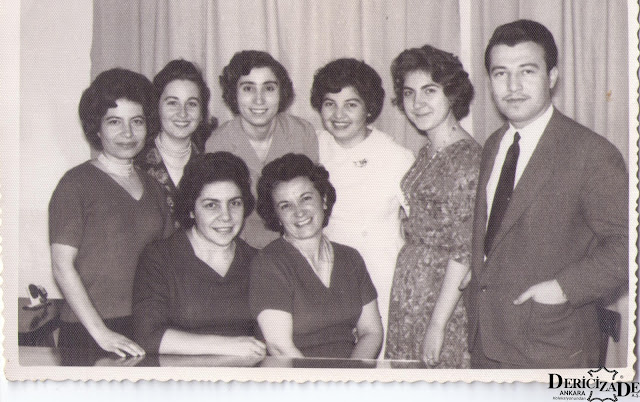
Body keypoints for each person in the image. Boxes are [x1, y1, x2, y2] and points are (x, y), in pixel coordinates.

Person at [465, 19, 628, 368]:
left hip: (551, 346)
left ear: (552, 76)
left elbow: (629, 245)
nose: (513, 86)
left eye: (527, 71)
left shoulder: (592, 153)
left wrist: (562, 288)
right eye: (500, 73)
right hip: (485, 343)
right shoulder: (494, 144)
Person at [49, 68, 170, 357]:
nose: (127, 133)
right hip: (88, 331)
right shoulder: (75, 184)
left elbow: (167, 265)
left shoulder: (155, 188)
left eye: (137, 121)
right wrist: (101, 333)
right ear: (97, 128)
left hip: (145, 327)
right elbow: (61, 266)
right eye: (114, 122)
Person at [384, 45, 480, 368]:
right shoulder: (430, 150)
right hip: (413, 291)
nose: (417, 103)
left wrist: (437, 325)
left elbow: (464, 250)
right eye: (409, 93)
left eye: (430, 91)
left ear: (451, 94)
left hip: (442, 299)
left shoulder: (466, 159)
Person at [310, 58, 414, 346]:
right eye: (329, 104)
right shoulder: (313, 146)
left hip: (380, 278)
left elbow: (421, 224)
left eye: (351, 104)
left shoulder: (396, 157)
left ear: (369, 108)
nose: (338, 115)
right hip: (325, 276)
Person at [249, 154, 383, 358]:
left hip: (349, 372)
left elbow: (371, 332)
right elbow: (279, 347)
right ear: (277, 216)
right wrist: (322, 379)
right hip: (295, 374)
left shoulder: (350, 258)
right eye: (286, 206)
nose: (299, 212)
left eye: (306, 198)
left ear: (324, 200)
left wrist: (351, 373)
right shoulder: (269, 263)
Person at [133, 152, 266, 357]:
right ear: (191, 210)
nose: (226, 217)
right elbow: (148, 337)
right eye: (211, 205)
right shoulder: (159, 258)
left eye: (234, 203)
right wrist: (226, 346)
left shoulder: (258, 260)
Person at [205, 50, 319, 249]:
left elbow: (313, 203)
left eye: (269, 88)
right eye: (248, 88)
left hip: (297, 244)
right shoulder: (218, 144)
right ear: (234, 94)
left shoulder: (302, 134)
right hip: (240, 249)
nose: (259, 100)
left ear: (281, 92)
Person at [135, 59, 216, 227]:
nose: (183, 113)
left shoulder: (210, 164)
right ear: (157, 107)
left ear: (202, 112)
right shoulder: (135, 163)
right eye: (172, 103)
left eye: (192, 104)